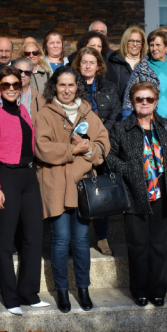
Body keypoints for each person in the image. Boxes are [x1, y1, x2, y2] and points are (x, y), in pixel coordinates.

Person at [35, 66, 110, 313]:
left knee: (80, 241)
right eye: (62, 85)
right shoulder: (45, 114)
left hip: (81, 187)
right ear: (54, 87)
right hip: (56, 184)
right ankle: (63, 291)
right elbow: (42, 148)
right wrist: (71, 150)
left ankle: (84, 289)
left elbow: (103, 143)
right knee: (60, 240)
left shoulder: (88, 113)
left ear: (77, 86)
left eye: (71, 85)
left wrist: (88, 149)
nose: (66, 90)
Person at [0, 66, 47, 315]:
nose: (10, 89)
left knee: (33, 236)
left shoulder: (24, 112)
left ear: (21, 88)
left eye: (15, 85)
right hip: (5, 176)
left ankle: (29, 292)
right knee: (6, 240)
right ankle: (10, 297)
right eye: (5, 85)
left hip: (29, 178)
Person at [106, 82, 167, 307]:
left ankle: (158, 290)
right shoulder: (121, 128)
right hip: (135, 195)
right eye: (139, 99)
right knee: (138, 247)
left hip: (164, 195)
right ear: (132, 101)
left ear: (156, 102)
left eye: (149, 99)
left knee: (160, 246)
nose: (144, 103)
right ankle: (139, 290)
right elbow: (110, 157)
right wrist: (129, 170)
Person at [72, 46, 121, 255]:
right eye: (84, 62)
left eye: (92, 62)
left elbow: (116, 112)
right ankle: (76, 238)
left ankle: (102, 237)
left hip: (103, 144)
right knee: (78, 190)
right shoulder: (73, 87)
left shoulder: (109, 87)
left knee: (103, 190)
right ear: (79, 65)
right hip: (79, 145)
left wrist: (102, 133)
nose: (88, 66)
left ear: (99, 65)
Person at [121, 29, 167, 124]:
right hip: (149, 124)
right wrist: (126, 122)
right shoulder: (141, 69)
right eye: (151, 45)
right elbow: (129, 96)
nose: (154, 48)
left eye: (158, 45)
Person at [106, 26, 147, 99]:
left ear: (143, 44)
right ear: (125, 42)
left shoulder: (148, 63)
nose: (135, 44)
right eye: (131, 41)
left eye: (138, 41)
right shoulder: (114, 63)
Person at [12, 57, 45, 122]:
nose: (23, 75)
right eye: (19, 71)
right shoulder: (5, 95)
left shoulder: (40, 99)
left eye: (27, 72)